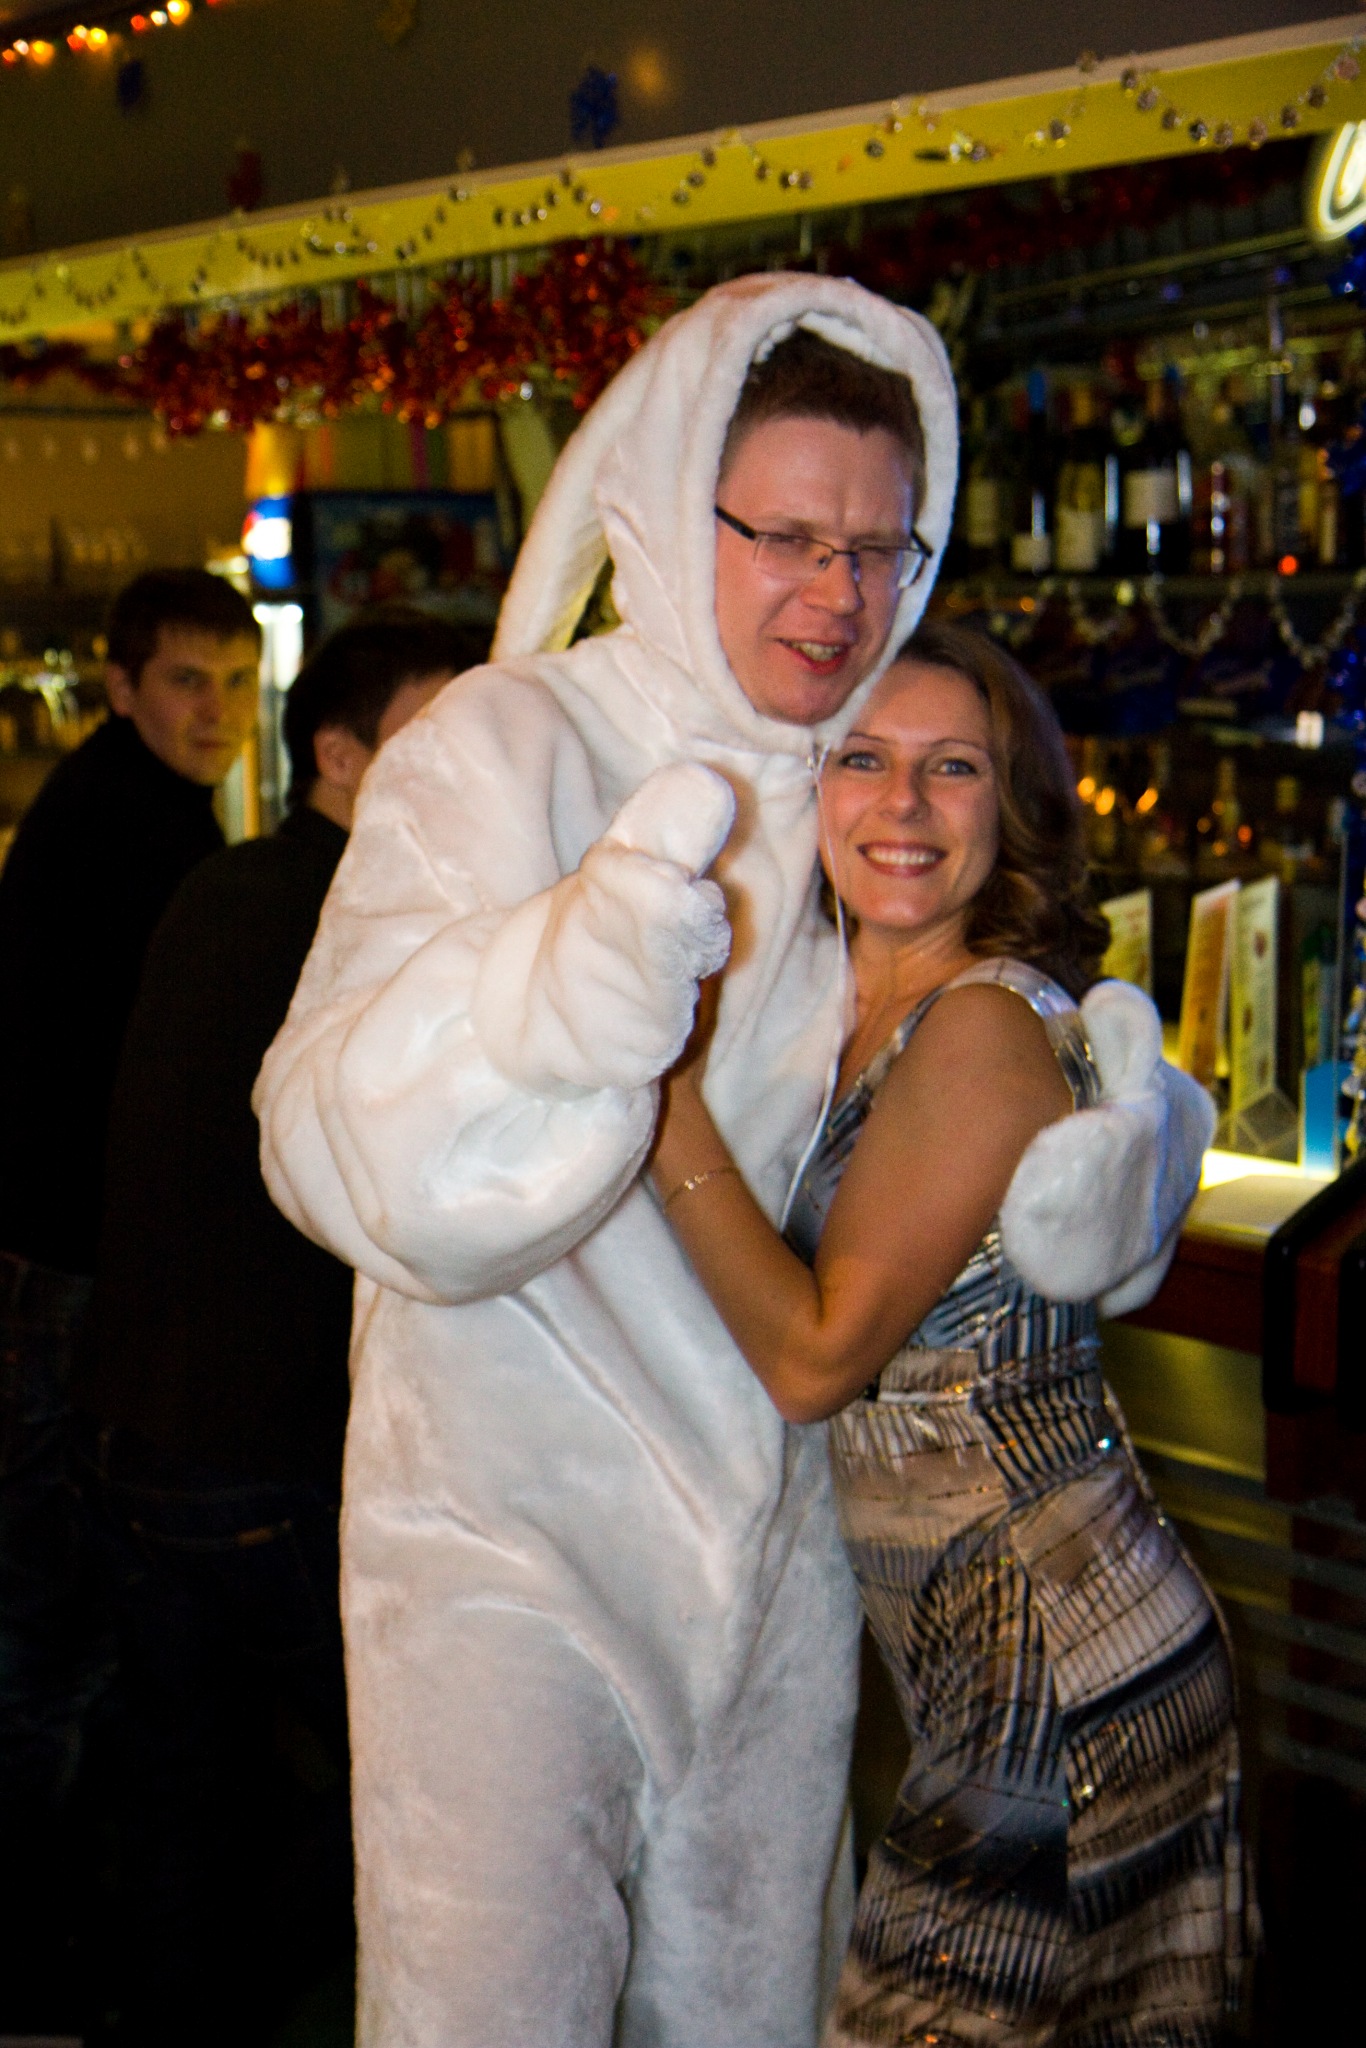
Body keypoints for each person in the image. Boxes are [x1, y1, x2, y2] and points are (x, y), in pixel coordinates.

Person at [254, 276, 1210, 2048]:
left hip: (786, 1571)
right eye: (783, 535)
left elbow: (970, 1031)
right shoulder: (505, 748)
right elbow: (320, 1142)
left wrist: (1123, 1136)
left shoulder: (852, 780)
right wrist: (556, 1004)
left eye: (875, 545)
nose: (834, 591)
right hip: (508, 1552)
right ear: (665, 498)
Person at [652, 620, 1240, 2045]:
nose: (903, 804)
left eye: (954, 768)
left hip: (1055, 1650)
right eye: (864, 759)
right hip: (999, 1644)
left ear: (1012, 806)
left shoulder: (979, 1024)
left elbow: (815, 1358)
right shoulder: (844, 1007)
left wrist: (656, 1098)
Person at [72, 609, 482, 2046]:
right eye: (441, 736)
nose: (480, 766)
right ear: (342, 756)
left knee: (185, 1788)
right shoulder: (357, 920)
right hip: (255, 1442)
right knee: (427, 1775)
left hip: (133, 1423)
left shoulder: (236, 880)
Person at [0, 567, 261, 2031]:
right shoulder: (144, 836)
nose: (215, 712)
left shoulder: (131, 811)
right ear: (119, 688)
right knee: (49, 1618)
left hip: (54, 1253)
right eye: (184, 681)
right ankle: (31, 1953)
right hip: (64, 1265)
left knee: (60, 1607)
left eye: (235, 683)